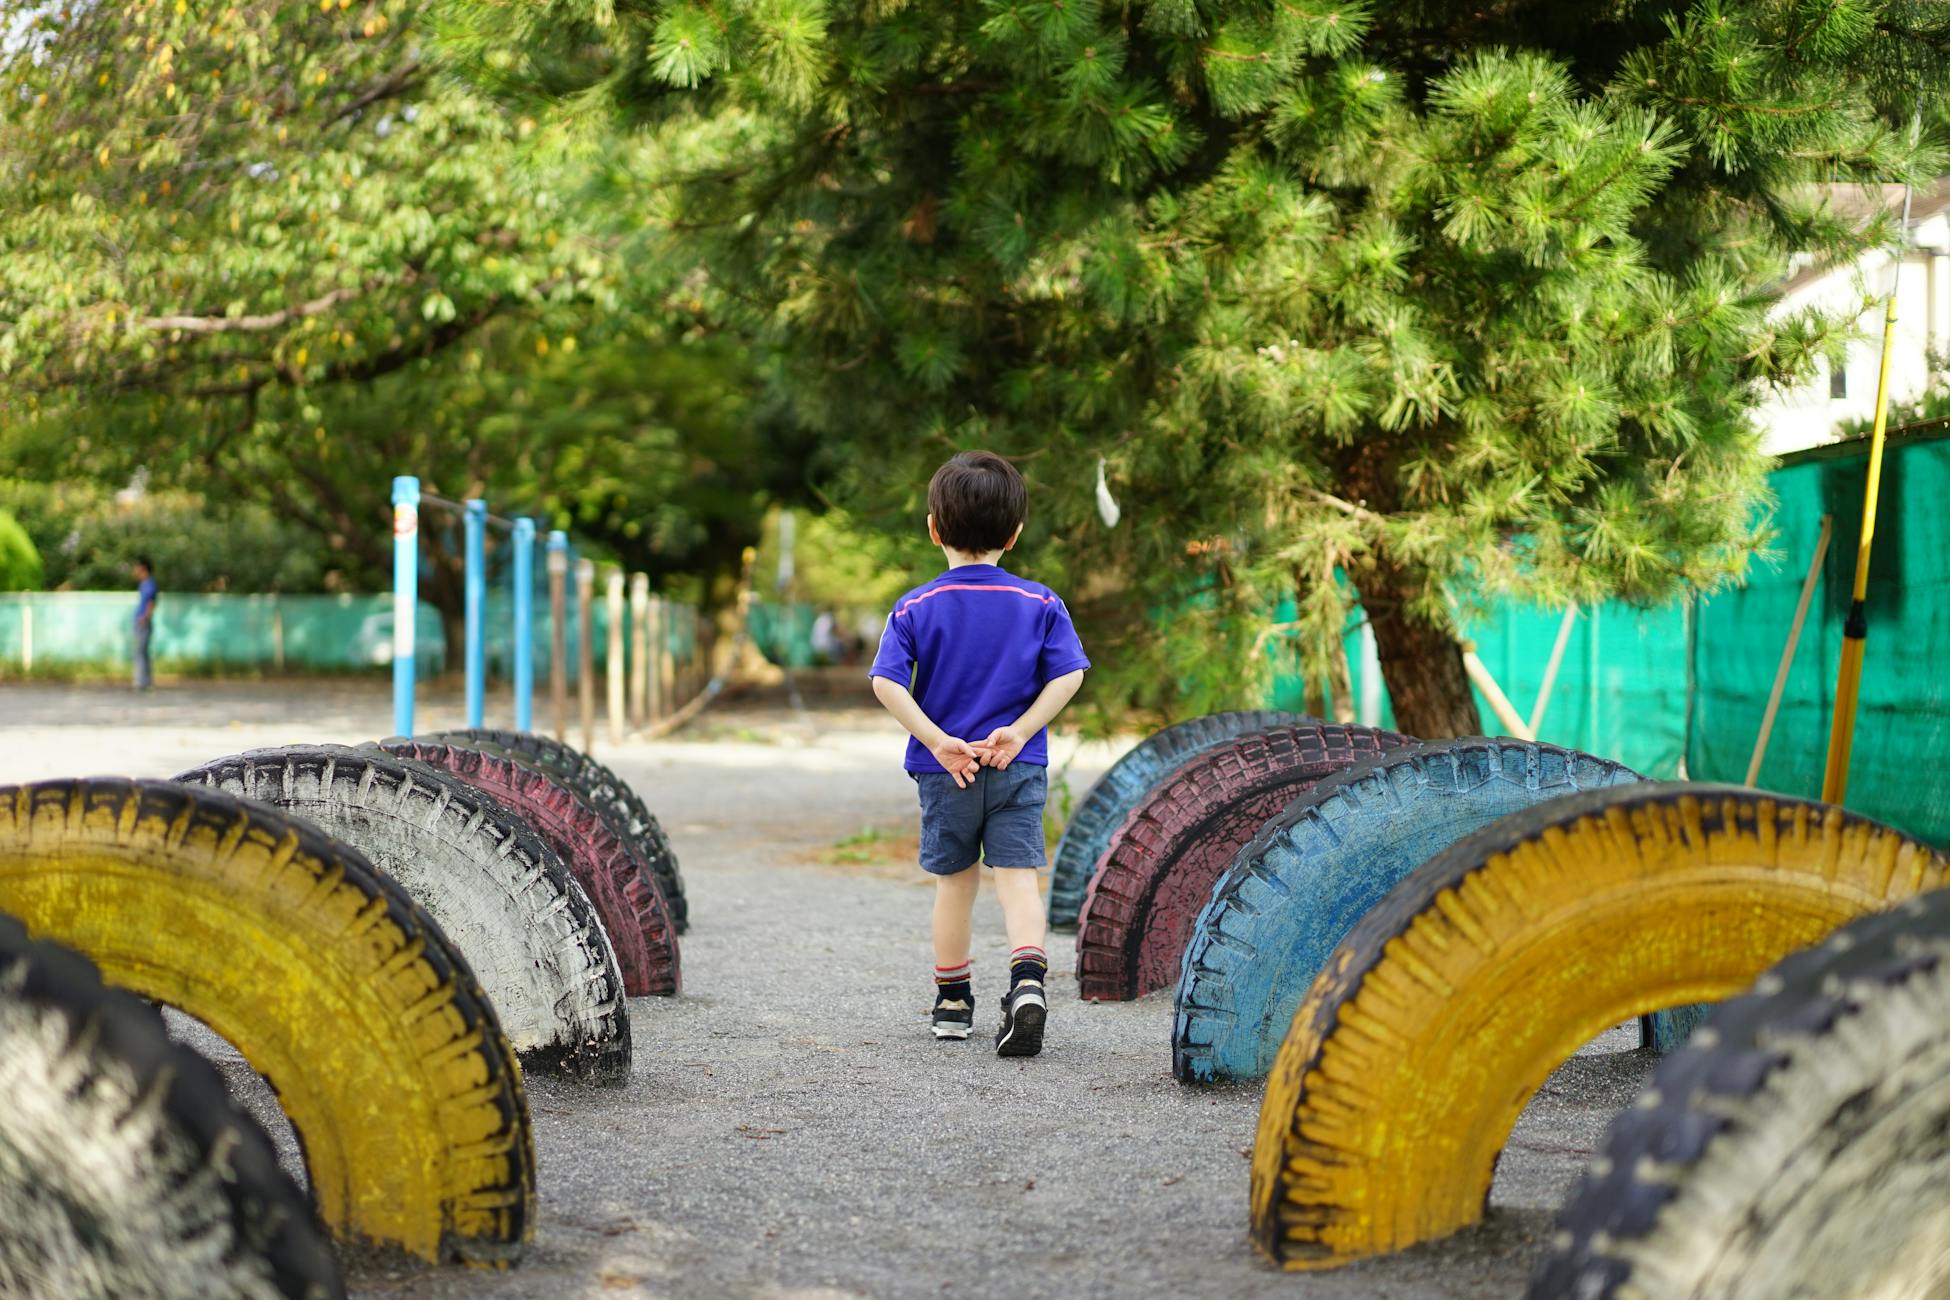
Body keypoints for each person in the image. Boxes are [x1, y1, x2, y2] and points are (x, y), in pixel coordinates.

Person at [867, 451, 1090, 1056]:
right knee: (1019, 882)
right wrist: (1019, 730)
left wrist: (937, 739)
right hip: (1016, 764)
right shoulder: (1041, 604)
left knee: (955, 885)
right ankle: (1027, 984)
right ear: (1014, 535)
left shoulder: (915, 607)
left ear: (934, 529)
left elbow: (886, 681)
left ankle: (952, 1002)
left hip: (948, 771)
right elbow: (1068, 676)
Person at [131, 556, 157, 690]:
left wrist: (144, 618)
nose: (134, 570)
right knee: (142, 652)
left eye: (136, 567)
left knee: (140, 652)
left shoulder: (148, 583)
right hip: (142, 621)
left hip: (143, 622)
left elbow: (151, 603)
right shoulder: (144, 583)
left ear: (143, 568)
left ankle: (141, 682)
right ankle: (146, 682)